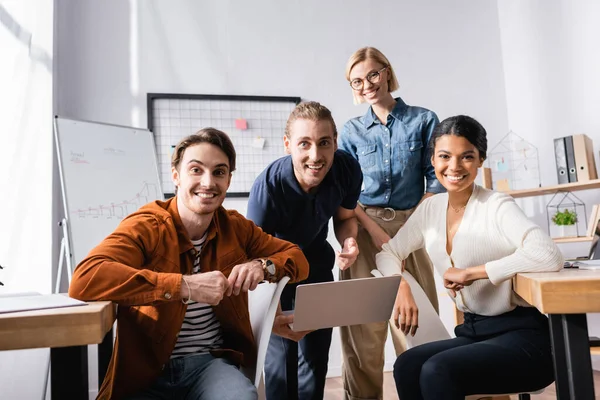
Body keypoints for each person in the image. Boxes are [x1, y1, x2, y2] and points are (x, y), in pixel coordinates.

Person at [68, 128, 309, 400]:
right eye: (196, 170)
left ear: (229, 180)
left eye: (219, 172)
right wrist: (184, 285)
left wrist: (263, 267)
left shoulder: (235, 227)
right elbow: (84, 279)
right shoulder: (148, 225)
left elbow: (296, 257)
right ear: (176, 176)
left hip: (211, 365)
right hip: (147, 371)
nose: (208, 182)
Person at [376, 115, 563, 399]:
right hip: (474, 332)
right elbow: (389, 252)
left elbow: (548, 254)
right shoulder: (430, 210)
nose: (454, 167)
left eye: (466, 157)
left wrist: (473, 272)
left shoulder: (496, 205)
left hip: (526, 337)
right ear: (433, 160)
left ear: (480, 160)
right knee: (406, 365)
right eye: (444, 156)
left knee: (438, 370)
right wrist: (399, 284)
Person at [337, 46, 445, 400]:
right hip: (365, 231)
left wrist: (409, 231)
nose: (366, 84)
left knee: (416, 331)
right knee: (363, 339)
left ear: (386, 72)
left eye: (372, 74)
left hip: (411, 233)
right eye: (357, 80)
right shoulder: (351, 132)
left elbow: (437, 180)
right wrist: (373, 230)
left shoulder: (424, 120)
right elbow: (348, 196)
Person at [247, 101, 363, 400]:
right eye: (304, 144)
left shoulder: (347, 168)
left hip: (317, 268)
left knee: (314, 362)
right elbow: (252, 255)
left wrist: (348, 242)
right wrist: (268, 313)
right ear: (288, 145)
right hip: (275, 275)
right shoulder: (268, 188)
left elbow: (346, 218)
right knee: (280, 367)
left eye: (324, 143)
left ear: (335, 142)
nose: (316, 155)